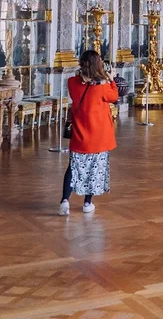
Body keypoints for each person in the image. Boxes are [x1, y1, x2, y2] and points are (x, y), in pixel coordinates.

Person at [59, 50, 119, 216]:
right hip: (99, 138)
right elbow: (114, 96)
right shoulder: (102, 88)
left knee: (73, 169)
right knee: (94, 170)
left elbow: (80, 83)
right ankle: (87, 203)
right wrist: (111, 79)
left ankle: (64, 201)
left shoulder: (72, 82)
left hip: (79, 135)